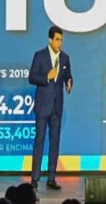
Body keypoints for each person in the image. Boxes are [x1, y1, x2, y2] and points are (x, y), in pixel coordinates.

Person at [29, 25, 73, 190]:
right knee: (39, 141)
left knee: (55, 142)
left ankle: (51, 178)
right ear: (50, 40)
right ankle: (35, 178)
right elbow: (32, 77)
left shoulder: (65, 58)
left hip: (57, 107)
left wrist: (69, 82)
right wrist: (46, 77)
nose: (59, 43)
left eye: (61, 40)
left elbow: (68, 75)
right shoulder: (39, 56)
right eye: (57, 39)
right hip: (43, 106)